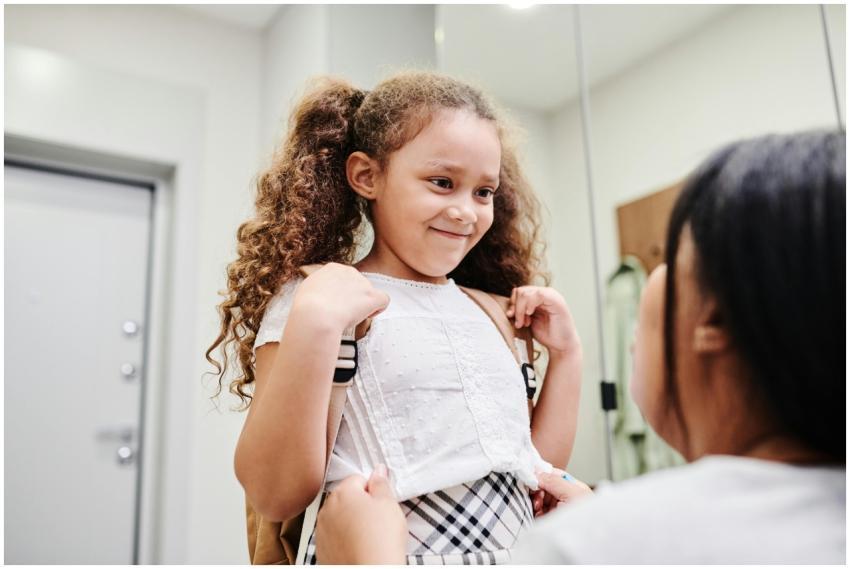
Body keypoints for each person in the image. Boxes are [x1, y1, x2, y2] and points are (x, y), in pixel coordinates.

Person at [314, 130, 846, 564]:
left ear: (714, 320)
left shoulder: (600, 545)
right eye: (442, 182)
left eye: (673, 261)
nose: (466, 210)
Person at [206, 71, 584, 564]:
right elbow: (274, 493)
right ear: (367, 176)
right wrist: (316, 324)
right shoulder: (324, 298)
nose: (466, 212)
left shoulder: (490, 310)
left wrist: (567, 356)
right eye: (442, 183)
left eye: (483, 192)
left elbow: (533, 466)